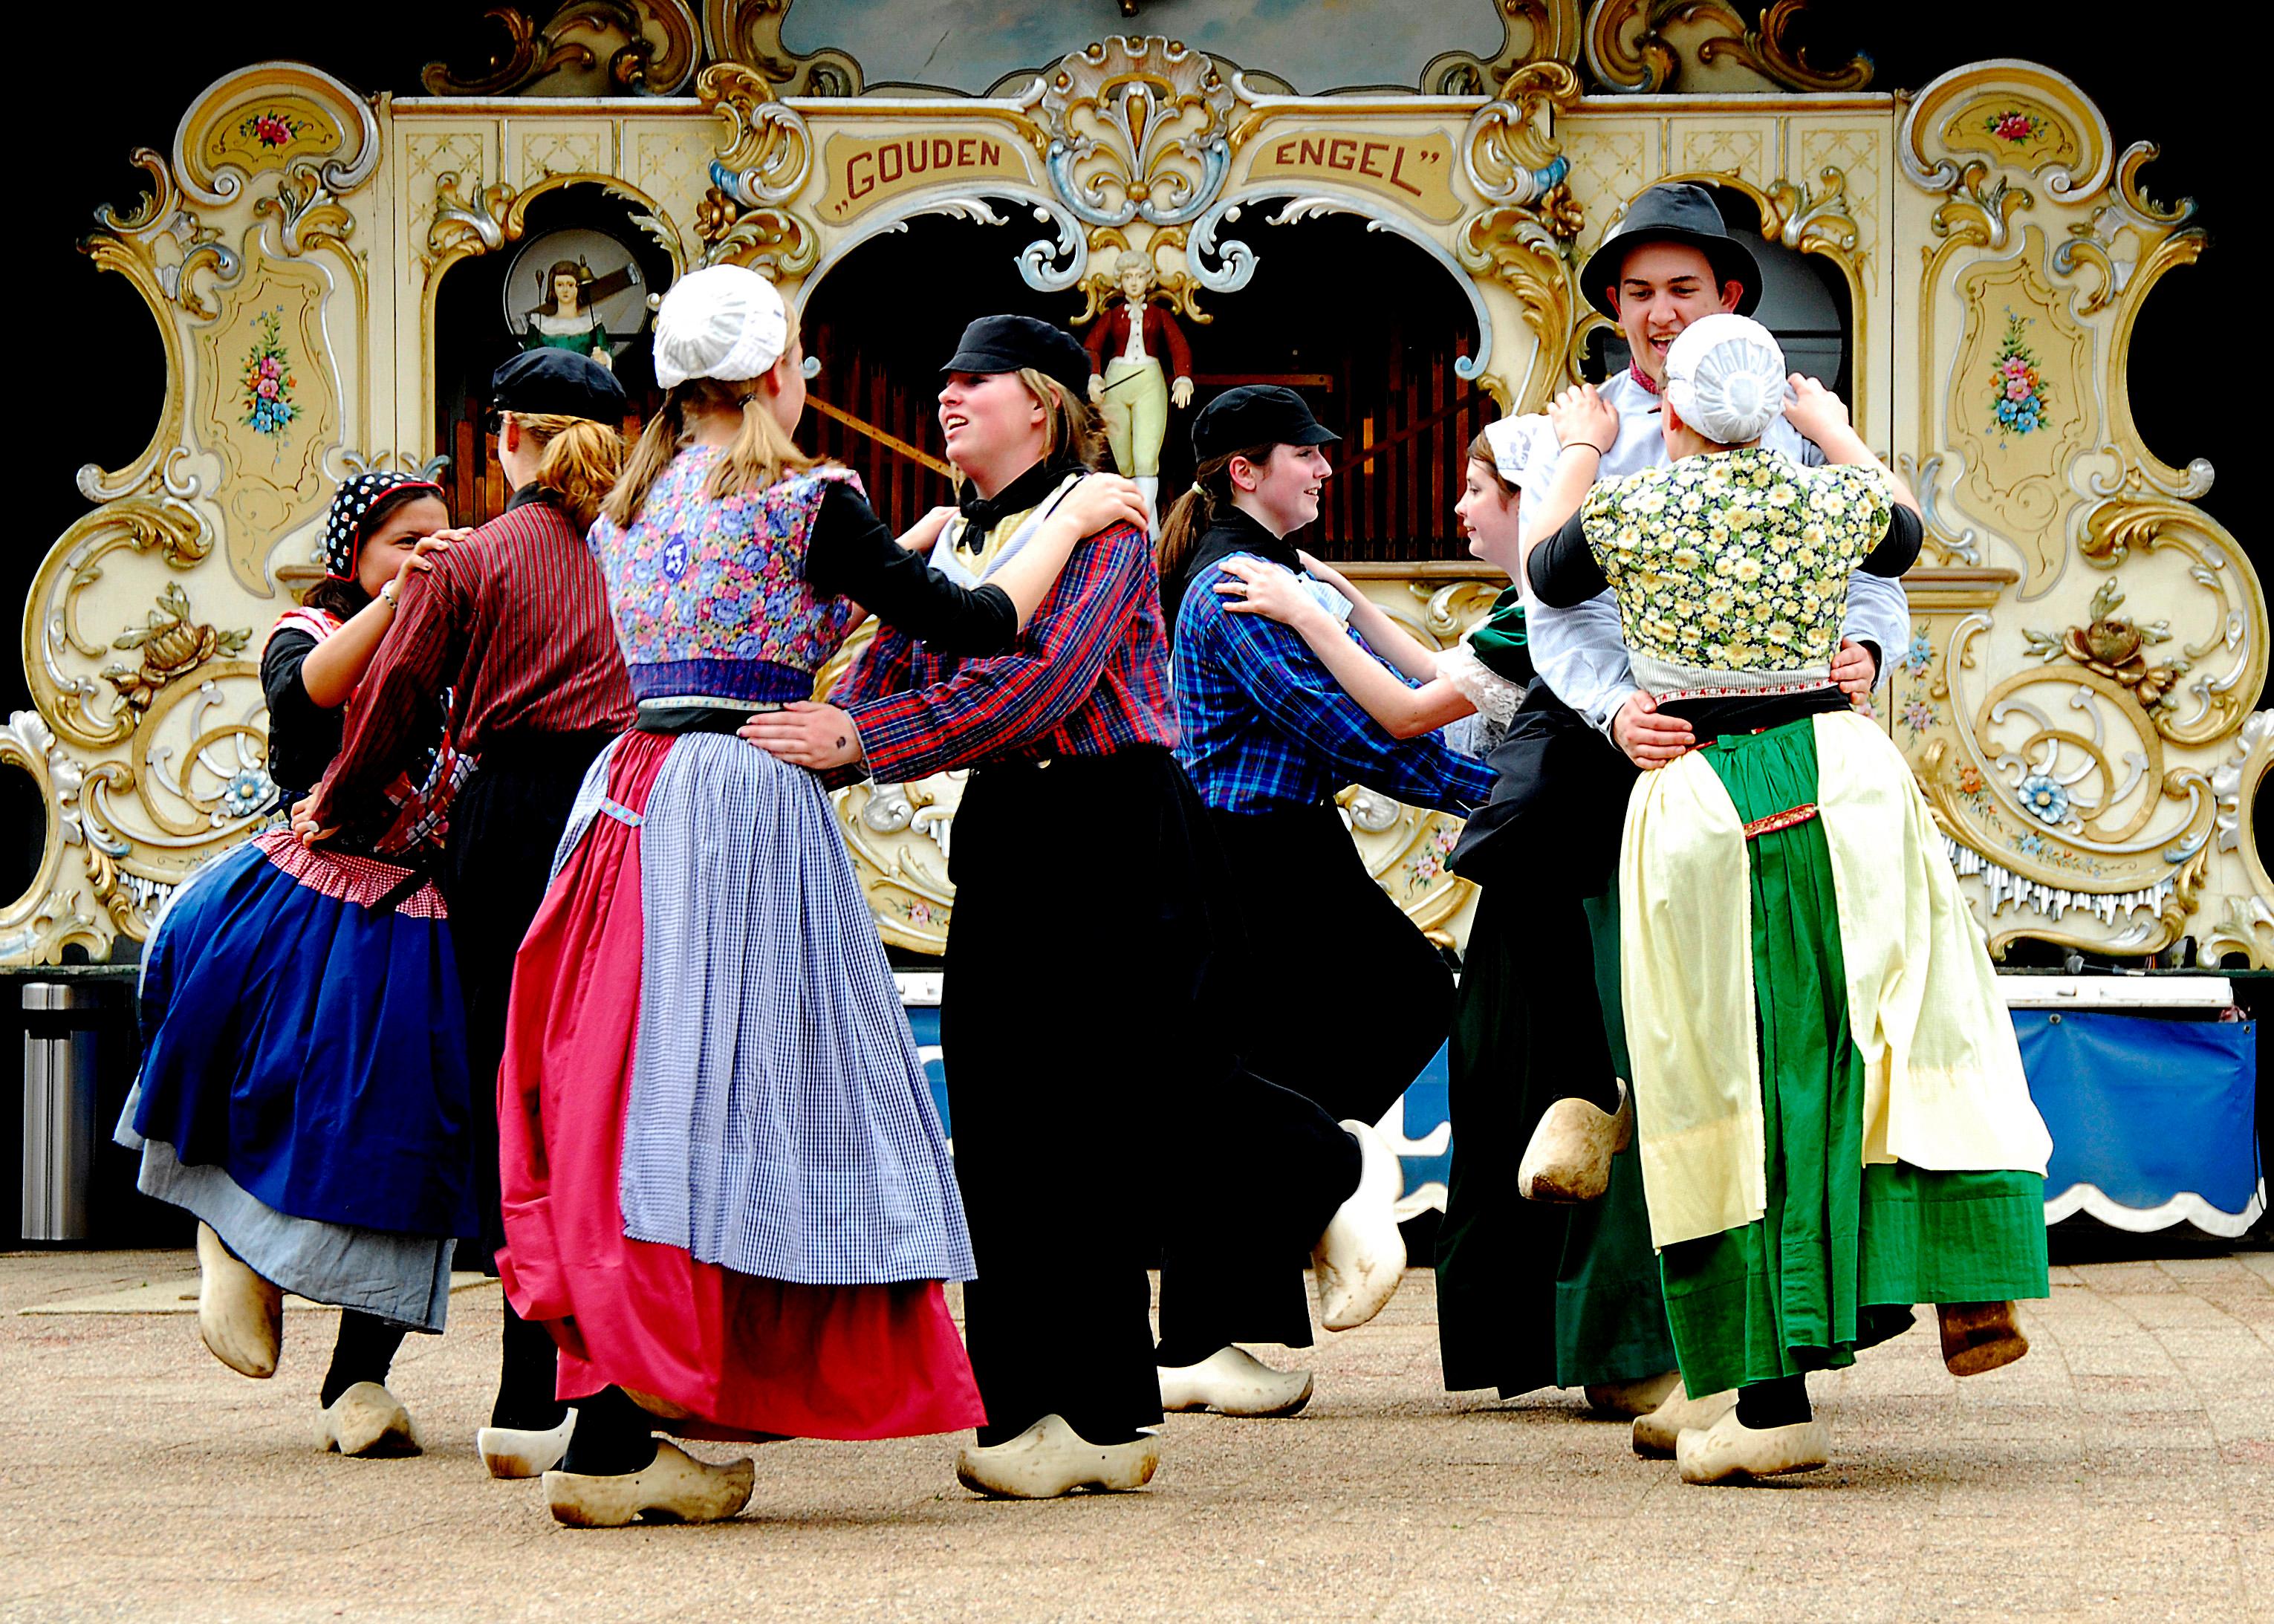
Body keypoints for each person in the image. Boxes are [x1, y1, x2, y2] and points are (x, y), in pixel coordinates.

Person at [495, 266, 1150, 1527]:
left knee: (630, 1096)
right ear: (778, 372)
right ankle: (632, 1429)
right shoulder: (812, 497)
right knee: (723, 1100)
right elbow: (978, 623)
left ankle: (621, 1416)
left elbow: (770, 611)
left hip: (628, 794)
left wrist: (880, 558)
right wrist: (1066, 526)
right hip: (740, 806)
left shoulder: (633, 506)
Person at [745, 316, 1404, 1498]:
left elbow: (1040, 684)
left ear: (1039, 405)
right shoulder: (960, 531)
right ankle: (1063, 1416)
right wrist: (888, 628)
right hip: (1007, 828)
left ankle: (1321, 1169)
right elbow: (906, 666)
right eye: (940, 380)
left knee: (1141, 1093)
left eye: (974, 382)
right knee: (1008, 1128)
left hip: (1120, 820)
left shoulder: (1104, 514)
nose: (946, 398)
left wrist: (863, 741)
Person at [1524, 313, 2052, 1485]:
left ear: (1673, 413)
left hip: (1705, 788)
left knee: (1730, 1077)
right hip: (1842, 774)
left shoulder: (1632, 507)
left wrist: (1577, 444)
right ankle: (1945, 1286)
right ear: (1770, 411)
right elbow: (1905, 532)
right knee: (1875, 1042)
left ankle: (1765, 1392)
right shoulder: (1828, 497)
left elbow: (1545, 571)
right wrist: (1837, 433)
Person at [1217, 411, 1683, 1415]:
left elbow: (1408, 712)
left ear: (1531, 501)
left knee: (1554, 1085)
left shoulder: (1554, 607)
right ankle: (1584, 1338)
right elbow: (1451, 673)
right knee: (1518, 1091)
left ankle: (1612, 1338)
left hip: (1571, 876)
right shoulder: (1542, 607)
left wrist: (1308, 616)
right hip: (1557, 869)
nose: (1460, 507)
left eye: (1479, 491)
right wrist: (1342, 602)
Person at [299, 348, 635, 1481]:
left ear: (506, 441)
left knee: (515, 1092)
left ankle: (523, 1392)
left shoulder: (472, 559)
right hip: (629, 811)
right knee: (606, 1093)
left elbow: (389, 707)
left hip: (509, 819)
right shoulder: (641, 554)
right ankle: (584, 1383)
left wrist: (331, 815)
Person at [1148, 385, 1494, 1415]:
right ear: (1246, 471)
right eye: (1308, 453)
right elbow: (1341, 729)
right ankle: (1326, 1176)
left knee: (1272, 1069)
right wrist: (1508, 796)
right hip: (1249, 852)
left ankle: (1211, 1325)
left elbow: (1388, 695)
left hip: (1280, 842)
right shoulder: (1232, 587)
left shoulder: (1280, 572)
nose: (1328, 467)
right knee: (1403, 998)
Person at [118, 472, 472, 1458]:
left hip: (425, 919)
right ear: (356, 552)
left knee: (413, 1149)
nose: (427, 553)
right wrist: (403, 602)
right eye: (406, 539)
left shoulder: (464, 645)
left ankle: (359, 1378)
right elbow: (301, 702)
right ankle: (233, 1243)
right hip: (309, 900)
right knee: (263, 1091)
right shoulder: (307, 629)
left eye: (442, 538)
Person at [1082, 249, 1195, 524]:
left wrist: (1183, 377)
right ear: (1121, 281)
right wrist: (1094, 376)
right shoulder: (1112, 315)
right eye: (1128, 276)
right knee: (1123, 456)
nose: (1134, 282)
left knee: (1146, 454)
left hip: (1148, 378)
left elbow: (1178, 345)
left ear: (1148, 279)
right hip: (1117, 379)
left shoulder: (1159, 315)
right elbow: (1092, 347)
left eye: (1140, 276)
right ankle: (1132, 516)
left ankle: (1148, 523)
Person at [522, 260, 612, 368]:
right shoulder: (539, 325)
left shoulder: (593, 324)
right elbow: (527, 359)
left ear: (578, 288)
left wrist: (603, 358)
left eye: (570, 285)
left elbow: (607, 354)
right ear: (553, 288)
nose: (565, 290)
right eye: (560, 285)